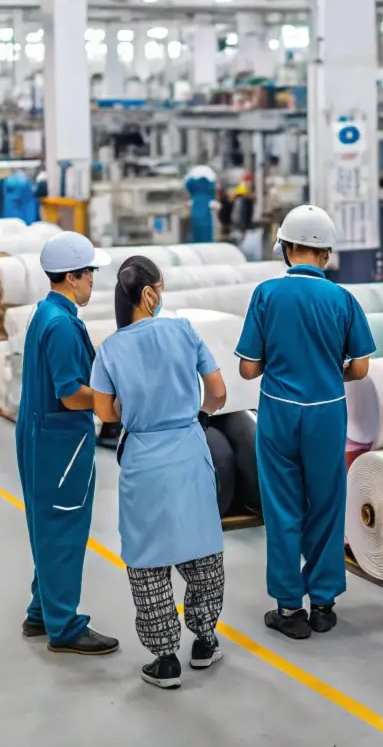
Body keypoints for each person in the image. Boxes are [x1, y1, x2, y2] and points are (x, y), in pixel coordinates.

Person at [235, 204, 375, 639]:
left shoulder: (266, 295)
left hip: (278, 411)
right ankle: (325, 603)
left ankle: (289, 608)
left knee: (282, 507)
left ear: (287, 248)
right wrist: (329, 371)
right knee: (327, 504)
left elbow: (247, 369)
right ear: (326, 254)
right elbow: (362, 367)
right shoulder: (343, 299)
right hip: (327, 411)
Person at [90, 255, 228, 690]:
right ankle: (205, 641)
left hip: (143, 460)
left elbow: (104, 412)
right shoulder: (184, 331)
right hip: (189, 450)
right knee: (203, 548)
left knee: (148, 560)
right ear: (150, 293)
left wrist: (137, 410)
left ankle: (165, 659)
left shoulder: (110, 349)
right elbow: (219, 392)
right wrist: (197, 414)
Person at [15, 231, 119, 657]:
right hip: (61, 442)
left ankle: (41, 611)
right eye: (90, 273)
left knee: (47, 524)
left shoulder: (48, 312)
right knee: (63, 529)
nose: (94, 281)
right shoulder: (60, 326)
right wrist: (112, 403)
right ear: (72, 276)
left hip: (41, 435)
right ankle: (64, 626)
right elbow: (70, 392)